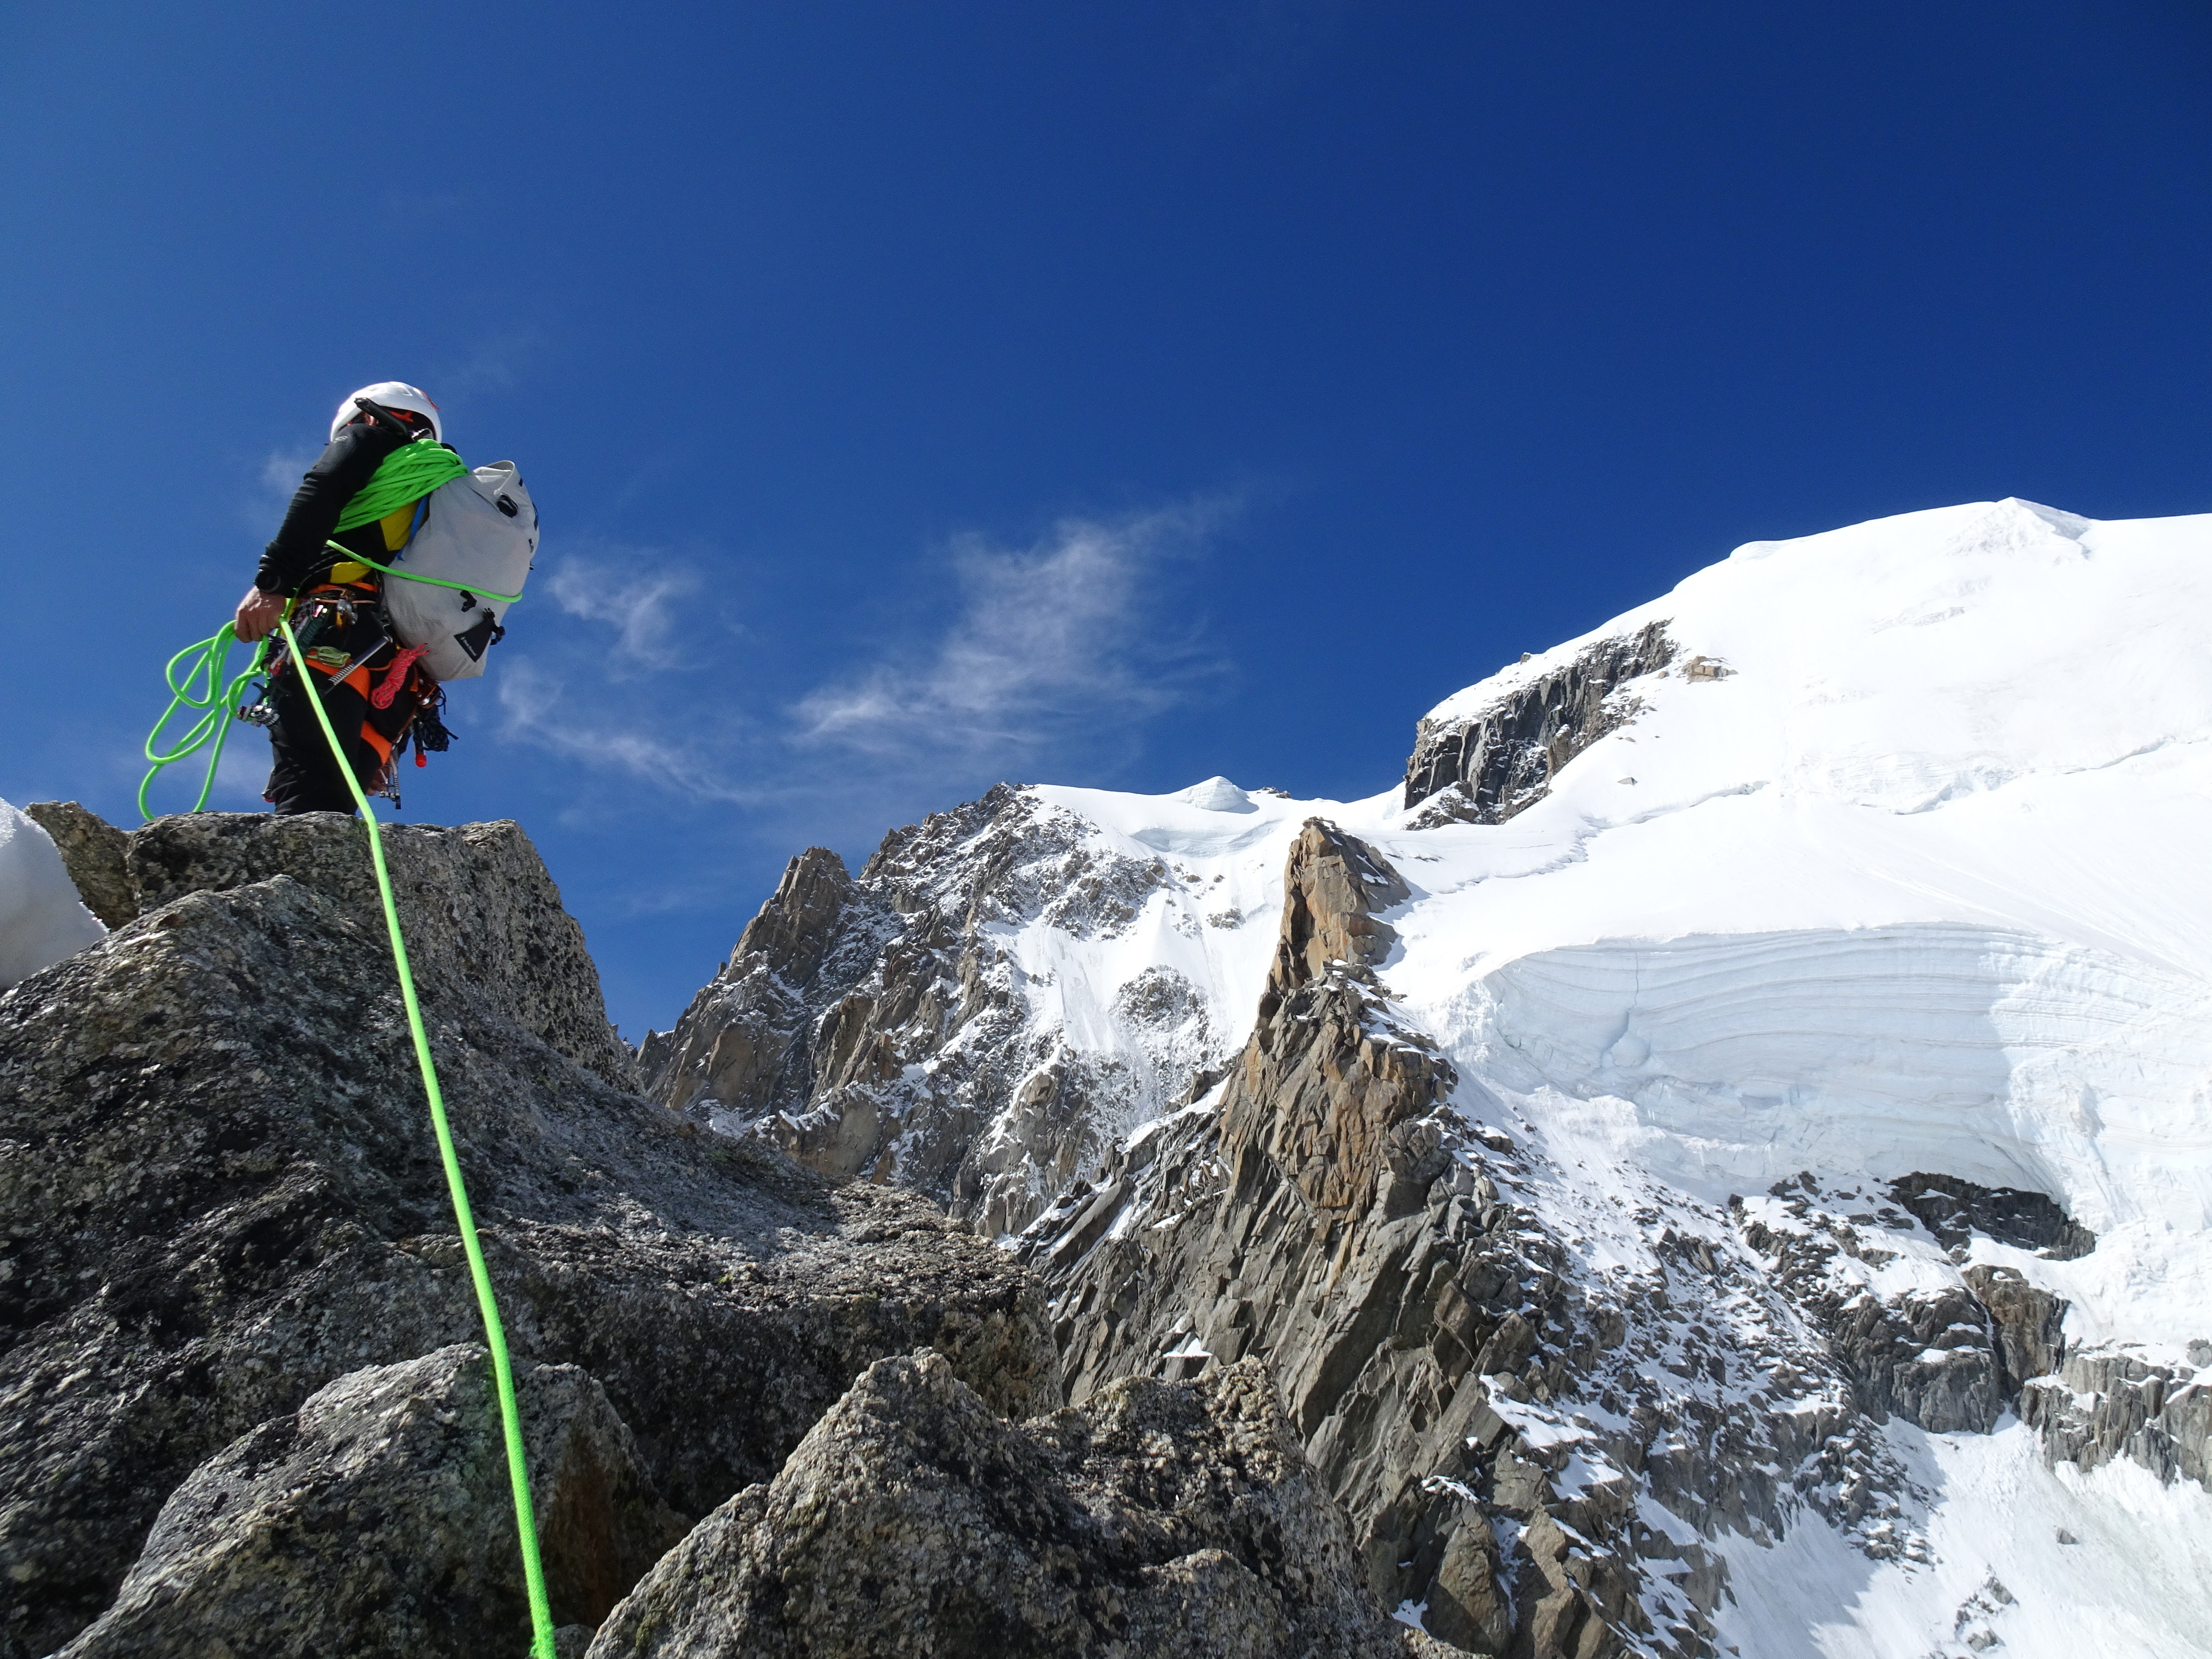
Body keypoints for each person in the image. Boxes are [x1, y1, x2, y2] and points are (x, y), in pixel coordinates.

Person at [234, 382, 457, 815]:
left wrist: (274, 583)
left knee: (308, 791)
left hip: (335, 633)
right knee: (334, 802)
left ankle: (291, 882)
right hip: (399, 677)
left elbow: (322, 489)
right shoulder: (442, 488)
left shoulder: (372, 441)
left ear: (369, 416)